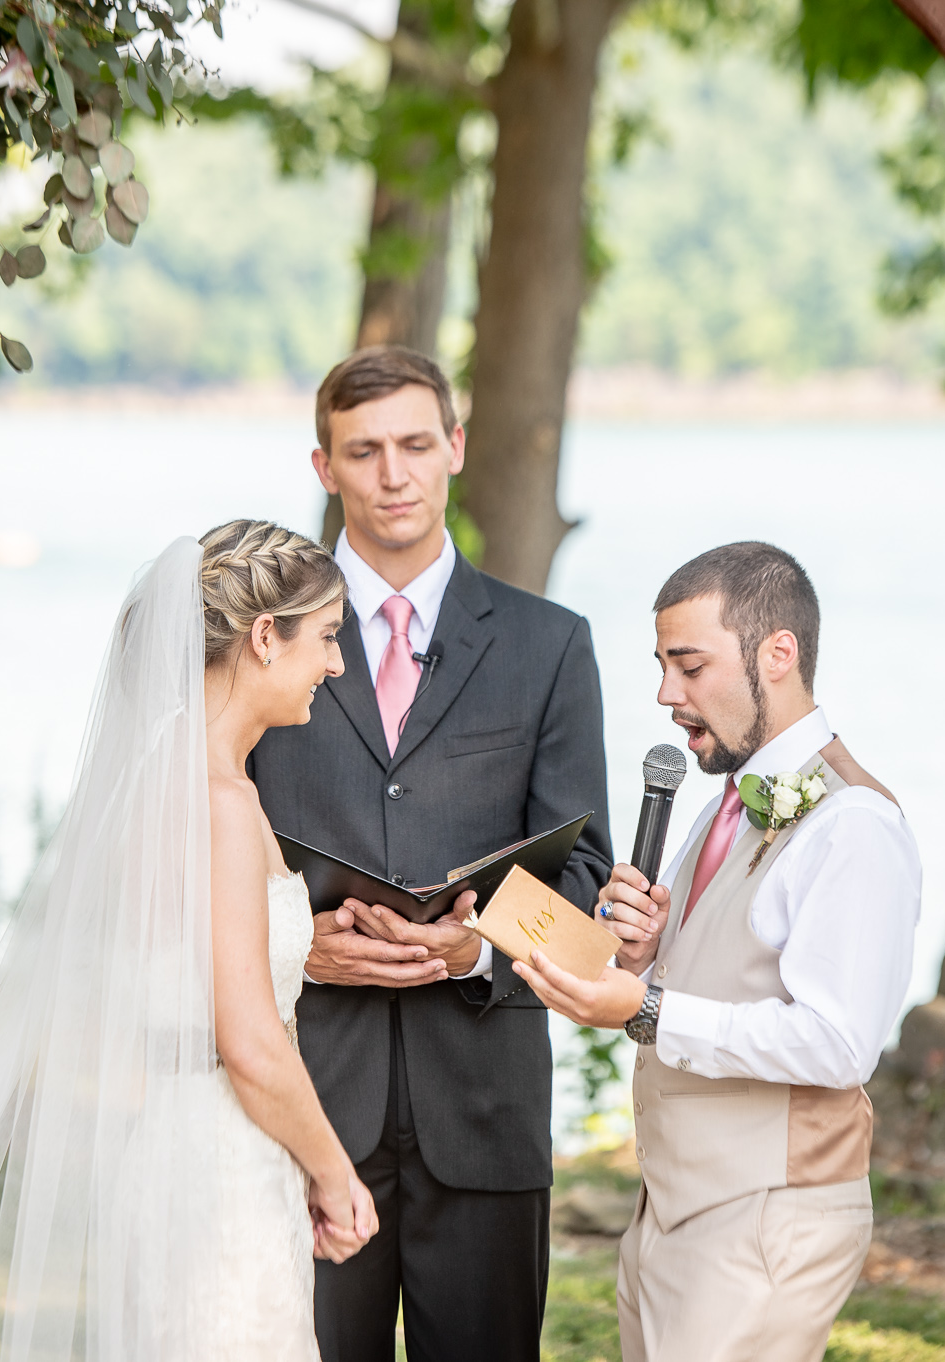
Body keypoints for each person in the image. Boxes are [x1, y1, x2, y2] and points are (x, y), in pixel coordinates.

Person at [0, 521, 377, 1362]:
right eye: (326, 638)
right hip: (221, 1169)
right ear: (263, 636)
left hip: (164, 1151)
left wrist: (299, 940)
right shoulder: (219, 801)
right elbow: (248, 1043)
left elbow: (173, 973)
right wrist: (335, 1173)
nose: (336, 664)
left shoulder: (156, 775)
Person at [249, 346, 613, 1362]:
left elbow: (583, 882)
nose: (394, 474)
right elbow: (204, 856)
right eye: (363, 452)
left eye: (416, 444)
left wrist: (480, 949)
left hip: (487, 1110)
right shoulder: (266, 643)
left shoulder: (551, 646)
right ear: (324, 467)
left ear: (456, 448)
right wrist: (299, 948)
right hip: (307, 1107)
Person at [516, 542, 921, 1362]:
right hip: (671, 1211)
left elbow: (839, 1045)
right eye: (663, 667)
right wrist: (637, 958)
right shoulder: (721, 808)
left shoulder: (854, 826)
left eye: (690, 666)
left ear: (779, 653)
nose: (668, 695)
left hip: (766, 1219)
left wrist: (648, 1008)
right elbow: (702, 979)